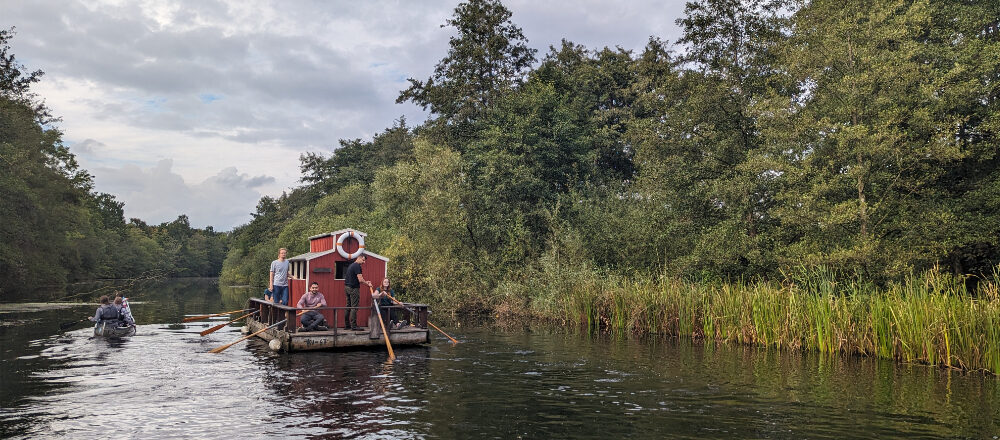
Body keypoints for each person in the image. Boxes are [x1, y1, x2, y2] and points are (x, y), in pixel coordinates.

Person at [343, 254, 373, 331]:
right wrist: (368, 284)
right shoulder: (357, 266)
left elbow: (357, 279)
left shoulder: (351, 265)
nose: (364, 262)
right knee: (354, 307)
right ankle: (354, 326)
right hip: (353, 288)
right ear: (358, 258)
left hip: (347, 287)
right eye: (363, 260)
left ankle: (347, 325)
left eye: (364, 260)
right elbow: (360, 280)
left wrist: (366, 281)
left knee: (348, 306)